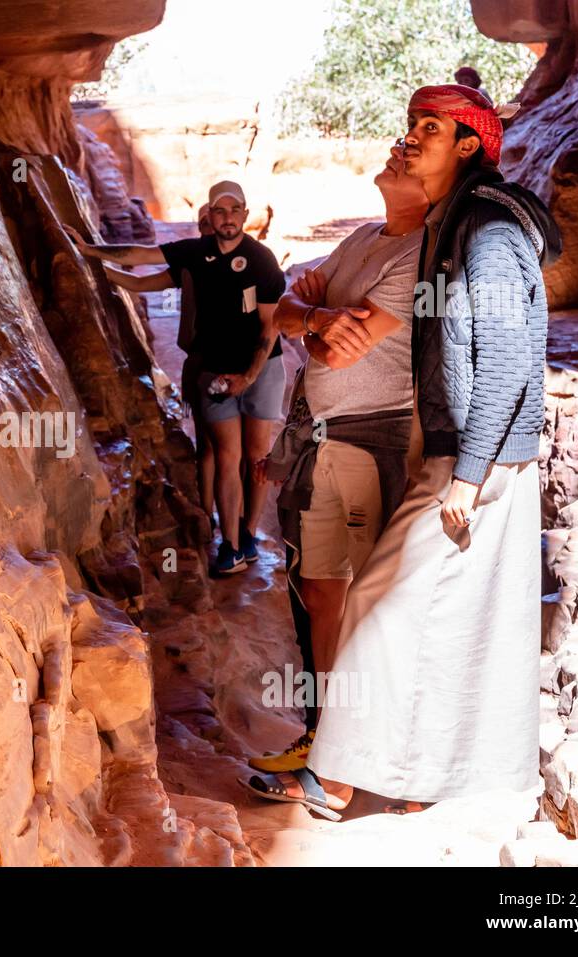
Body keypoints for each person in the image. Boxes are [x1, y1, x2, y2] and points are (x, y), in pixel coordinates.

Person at [247, 83, 561, 819]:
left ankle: (340, 776)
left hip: (477, 462)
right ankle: (422, 778)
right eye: (412, 123)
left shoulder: (484, 228)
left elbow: (511, 354)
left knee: (380, 605)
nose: (412, 137)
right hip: (465, 458)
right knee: (438, 616)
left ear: (470, 146)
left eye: (431, 127)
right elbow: (301, 315)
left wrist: (469, 473)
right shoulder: (458, 224)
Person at [247, 142, 427, 775]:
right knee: (322, 594)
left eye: (416, 145)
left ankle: (374, 750)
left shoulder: (418, 253)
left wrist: (309, 323)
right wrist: (314, 315)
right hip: (324, 433)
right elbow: (286, 310)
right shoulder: (361, 239)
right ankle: (329, 738)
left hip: (366, 433)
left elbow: (334, 353)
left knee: (361, 598)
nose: (399, 149)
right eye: (401, 139)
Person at [65, 181, 287, 575]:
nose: (228, 218)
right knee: (227, 454)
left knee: (255, 455)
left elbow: (269, 330)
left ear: (244, 213)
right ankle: (231, 546)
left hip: (261, 368)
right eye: (219, 211)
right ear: (210, 216)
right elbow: (139, 260)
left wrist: (248, 378)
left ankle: (248, 532)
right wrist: (88, 252)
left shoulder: (261, 260)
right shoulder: (194, 254)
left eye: (235, 210)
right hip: (215, 371)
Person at [102, 201, 221, 531]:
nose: (207, 230)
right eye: (204, 224)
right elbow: (140, 281)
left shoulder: (245, 263)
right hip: (201, 364)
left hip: (231, 365)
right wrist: (92, 260)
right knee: (209, 445)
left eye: (212, 224)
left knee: (230, 447)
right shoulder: (192, 264)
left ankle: (237, 531)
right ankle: (211, 516)